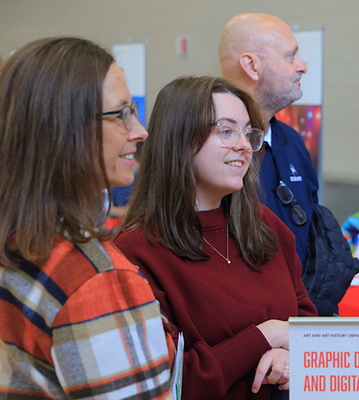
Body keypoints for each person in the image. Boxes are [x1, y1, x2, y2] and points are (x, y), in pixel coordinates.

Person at [0, 37, 173, 399]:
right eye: (122, 114)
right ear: (63, 131)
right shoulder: (95, 279)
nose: (140, 131)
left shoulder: (3, 240)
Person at [115, 76, 318, 400]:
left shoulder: (266, 226)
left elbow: (306, 321)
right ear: (179, 140)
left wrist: (288, 356)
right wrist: (266, 336)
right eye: (226, 131)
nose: (243, 145)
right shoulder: (136, 251)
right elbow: (172, 380)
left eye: (247, 132)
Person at [219, 13, 318, 269]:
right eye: (291, 56)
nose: (302, 66)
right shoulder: (210, 147)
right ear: (252, 66)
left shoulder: (292, 141)